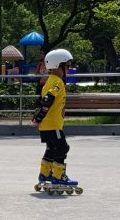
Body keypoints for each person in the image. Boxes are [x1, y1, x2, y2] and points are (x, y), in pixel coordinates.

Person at [32, 48, 83, 195]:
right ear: (58, 66)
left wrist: (38, 118)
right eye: (67, 66)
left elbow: (43, 99)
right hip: (52, 124)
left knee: (51, 148)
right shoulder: (57, 82)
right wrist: (39, 117)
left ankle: (45, 174)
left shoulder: (49, 81)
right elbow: (48, 99)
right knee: (62, 148)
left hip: (47, 125)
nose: (68, 69)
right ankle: (58, 176)